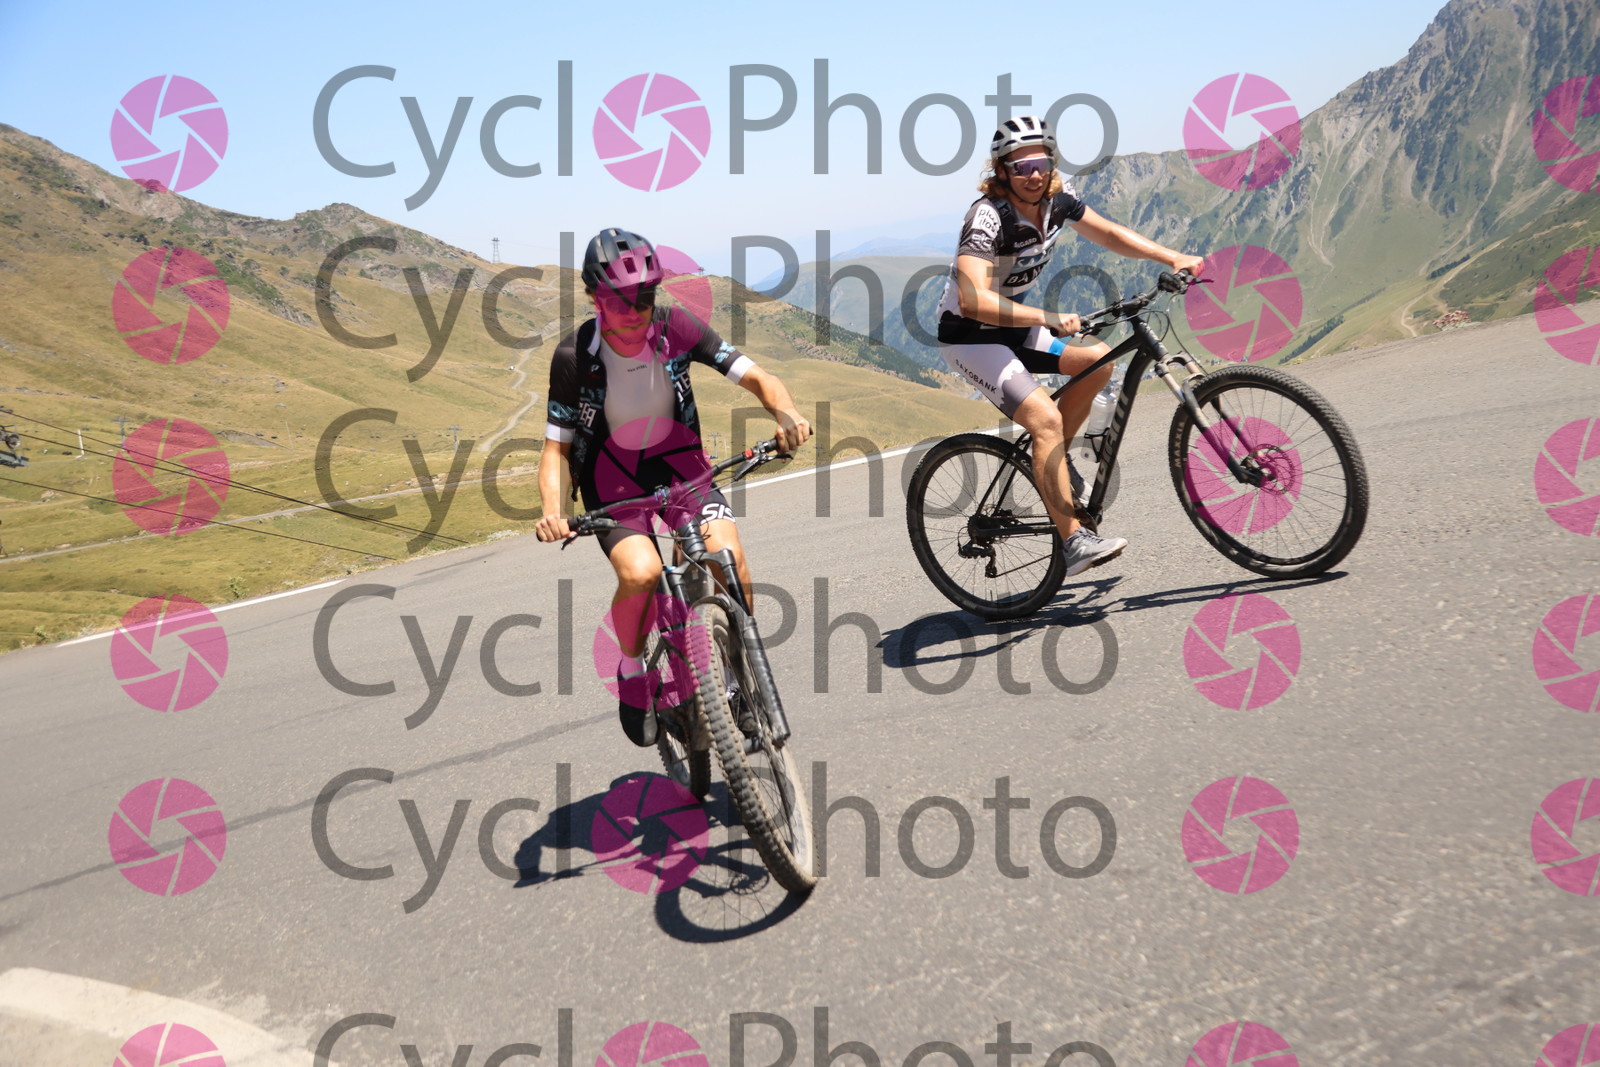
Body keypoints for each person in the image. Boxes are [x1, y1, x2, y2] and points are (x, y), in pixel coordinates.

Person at [535, 228, 811, 747]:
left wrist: (787, 412)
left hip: (684, 472)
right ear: (595, 298)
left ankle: (736, 683)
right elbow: (556, 449)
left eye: (644, 297)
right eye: (620, 300)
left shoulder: (675, 327)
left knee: (727, 558)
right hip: (612, 485)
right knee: (640, 572)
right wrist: (553, 509)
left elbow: (757, 377)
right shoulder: (574, 356)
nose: (634, 311)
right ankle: (632, 669)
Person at [936, 115, 1205, 576]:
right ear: (1001, 171)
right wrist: (1047, 317)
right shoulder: (987, 217)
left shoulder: (1058, 201)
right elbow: (972, 299)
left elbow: (1108, 233)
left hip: (1013, 327)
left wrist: (1171, 256)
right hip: (969, 335)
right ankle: (1074, 542)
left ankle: (1056, 461)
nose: (1033, 175)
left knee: (1098, 360)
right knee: (1044, 420)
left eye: (1041, 164)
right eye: (1021, 167)